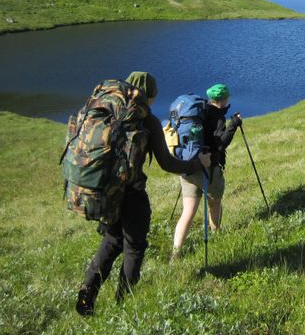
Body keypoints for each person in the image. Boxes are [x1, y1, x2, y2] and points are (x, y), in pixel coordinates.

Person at [76, 71, 210, 317]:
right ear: (148, 95)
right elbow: (168, 164)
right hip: (132, 194)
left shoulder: (109, 110)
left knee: (112, 240)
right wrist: (196, 163)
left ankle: (87, 291)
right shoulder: (146, 120)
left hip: (105, 191)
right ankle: (123, 302)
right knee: (134, 247)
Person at [172, 83, 241, 259]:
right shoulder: (218, 117)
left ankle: (176, 252)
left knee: (188, 211)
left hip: (188, 166)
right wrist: (233, 124)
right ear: (224, 100)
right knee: (215, 202)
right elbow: (220, 144)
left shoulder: (199, 111)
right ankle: (216, 233)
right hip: (207, 169)